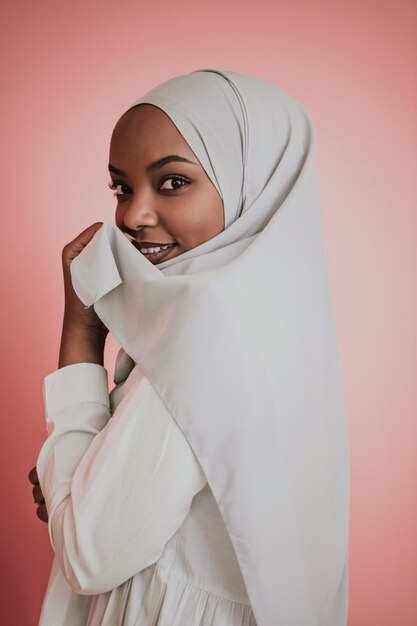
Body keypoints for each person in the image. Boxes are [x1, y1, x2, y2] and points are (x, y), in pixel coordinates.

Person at [29, 69, 350, 626]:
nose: (132, 216)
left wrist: (80, 331)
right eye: (122, 188)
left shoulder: (208, 330)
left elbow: (88, 555)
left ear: (252, 182)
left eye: (173, 182)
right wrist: (80, 484)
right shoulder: (277, 315)